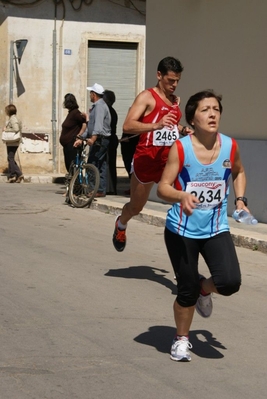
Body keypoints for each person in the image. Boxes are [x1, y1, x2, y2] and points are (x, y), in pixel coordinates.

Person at [157, 89, 250, 362]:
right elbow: (163, 187)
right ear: (193, 118)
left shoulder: (230, 146)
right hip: (181, 231)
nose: (212, 114)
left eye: (216, 109)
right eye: (205, 109)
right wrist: (181, 195)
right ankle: (182, 339)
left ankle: (204, 289)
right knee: (185, 290)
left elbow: (239, 171)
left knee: (230, 282)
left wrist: (241, 200)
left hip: (215, 228)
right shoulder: (181, 148)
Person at [112, 56, 192, 251]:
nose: (174, 85)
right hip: (146, 159)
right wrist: (156, 125)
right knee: (136, 207)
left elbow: (171, 124)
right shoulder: (146, 97)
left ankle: (184, 257)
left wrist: (182, 130)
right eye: (170, 80)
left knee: (185, 201)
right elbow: (128, 125)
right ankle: (121, 224)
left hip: (169, 160)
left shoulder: (174, 100)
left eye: (177, 81)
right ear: (159, 75)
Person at [75, 83, 111, 197]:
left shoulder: (100, 106)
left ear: (93, 94)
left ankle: (94, 189)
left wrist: (93, 138)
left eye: (90, 93)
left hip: (100, 139)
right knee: (101, 164)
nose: (90, 95)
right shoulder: (96, 106)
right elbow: (91, 126)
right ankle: (100, 189)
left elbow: (98, 126)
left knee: (92, 164)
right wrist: (82, 137)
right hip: (98, 138)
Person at [59, 93, 86, 174]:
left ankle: (76, 184)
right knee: (69, 166)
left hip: (72, 144)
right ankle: (73, 183)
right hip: (67, 145)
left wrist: (79, 135)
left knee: (73, 165)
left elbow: (85, 123)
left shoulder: (76, 113)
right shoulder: (71, 113)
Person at [3, 104, 24, 183]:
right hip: (13, 142)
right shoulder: (14, 118)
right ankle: (13, 176)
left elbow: (16, 129)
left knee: (10, 158)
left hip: (13, 141)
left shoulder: (13, 119)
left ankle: (18, 174)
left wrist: (5, 130)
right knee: (10, 158)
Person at [103, 90, 118, 195]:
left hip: (109, 139)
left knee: (107, 163)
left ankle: (108, 188)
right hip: (112, 139)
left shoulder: (108, 111)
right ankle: (110, 188)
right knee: (110, 164)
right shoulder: (112, 111)